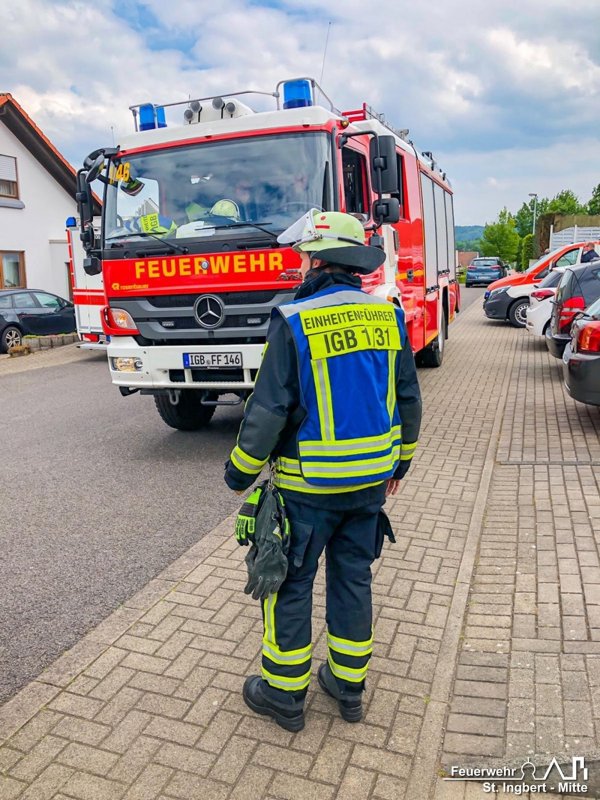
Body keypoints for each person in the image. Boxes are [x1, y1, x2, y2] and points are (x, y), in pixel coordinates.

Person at [224, 209, 422, 732]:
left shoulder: (295, 320)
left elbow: (268, 410)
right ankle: (347, 686)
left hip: (307, 488)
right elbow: (406, 397)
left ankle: (284, 696)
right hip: (371, 486)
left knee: (289, 584)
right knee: (353, 579)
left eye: (305, 255)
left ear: (317, 259)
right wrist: (400, 460)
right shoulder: (387, 315)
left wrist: (238, 474)